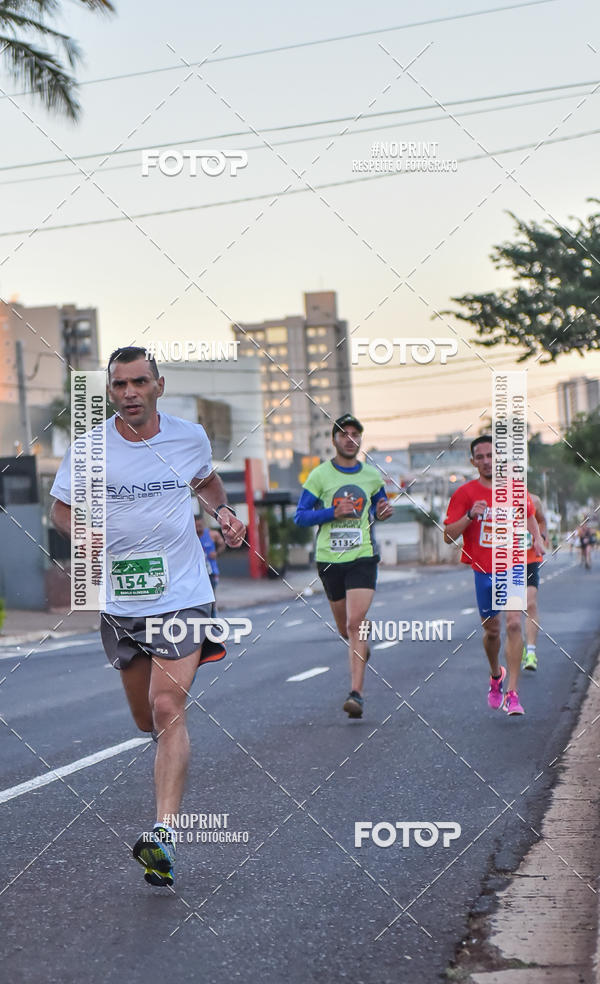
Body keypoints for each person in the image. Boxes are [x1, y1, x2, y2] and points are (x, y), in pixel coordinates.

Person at [50, 346, 246, 887]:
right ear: (110, 391)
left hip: (183, 594)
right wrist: (82, 533)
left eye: (139, 382)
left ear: (159, 385)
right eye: (119, 385)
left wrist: (223, 511)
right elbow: (60, 510)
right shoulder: (89, 449)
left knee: (167, 706)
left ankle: (163, 835)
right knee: (146, 721)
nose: (130, 392)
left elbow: (205, 482)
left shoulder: (189, 437)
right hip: (121, 602)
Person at [294, 413, 393, 719]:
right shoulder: (320, 476)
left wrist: (383, 511)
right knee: (345, 629)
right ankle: (359, 645)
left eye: (355, 434)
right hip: (329, 560)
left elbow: (380, 509)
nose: (350, 440)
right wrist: (332, 513)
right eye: (344, 434)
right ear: (334, 440)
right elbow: (300, 516)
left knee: (354, 624)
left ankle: (356, 695)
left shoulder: (372, 476)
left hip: (363, 557)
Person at [443, 435, 545, 716]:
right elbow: (448, 536)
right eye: (481, 457)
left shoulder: (515, 488)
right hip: (484, 571)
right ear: (473, 461)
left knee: (513, 624)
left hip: (513, 566)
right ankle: (495, 675)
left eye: (491, 455)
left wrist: (537, 539)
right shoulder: (464, 493)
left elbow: (528, 515)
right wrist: (469, 516)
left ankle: (513, 694)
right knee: (492, 631)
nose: (487, 461)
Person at [522, 491, 548, 672]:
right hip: (506, 561)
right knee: (513, 613)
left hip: (530, 559)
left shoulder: (534, 500)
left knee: (530, 603)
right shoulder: (497, 499)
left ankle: (531, 652)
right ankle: (519, 646)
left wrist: (541, 538)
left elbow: (542, 521)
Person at [195, 513, 226, 615]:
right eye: (196, 526)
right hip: (196, 573)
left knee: (211, 596)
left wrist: (216, 553)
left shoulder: (212, 534)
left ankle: (213, 617)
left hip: (211, 571)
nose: (198, 529)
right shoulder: (191, 537)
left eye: (200, 526)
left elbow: (222, 544)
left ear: (203, 524)